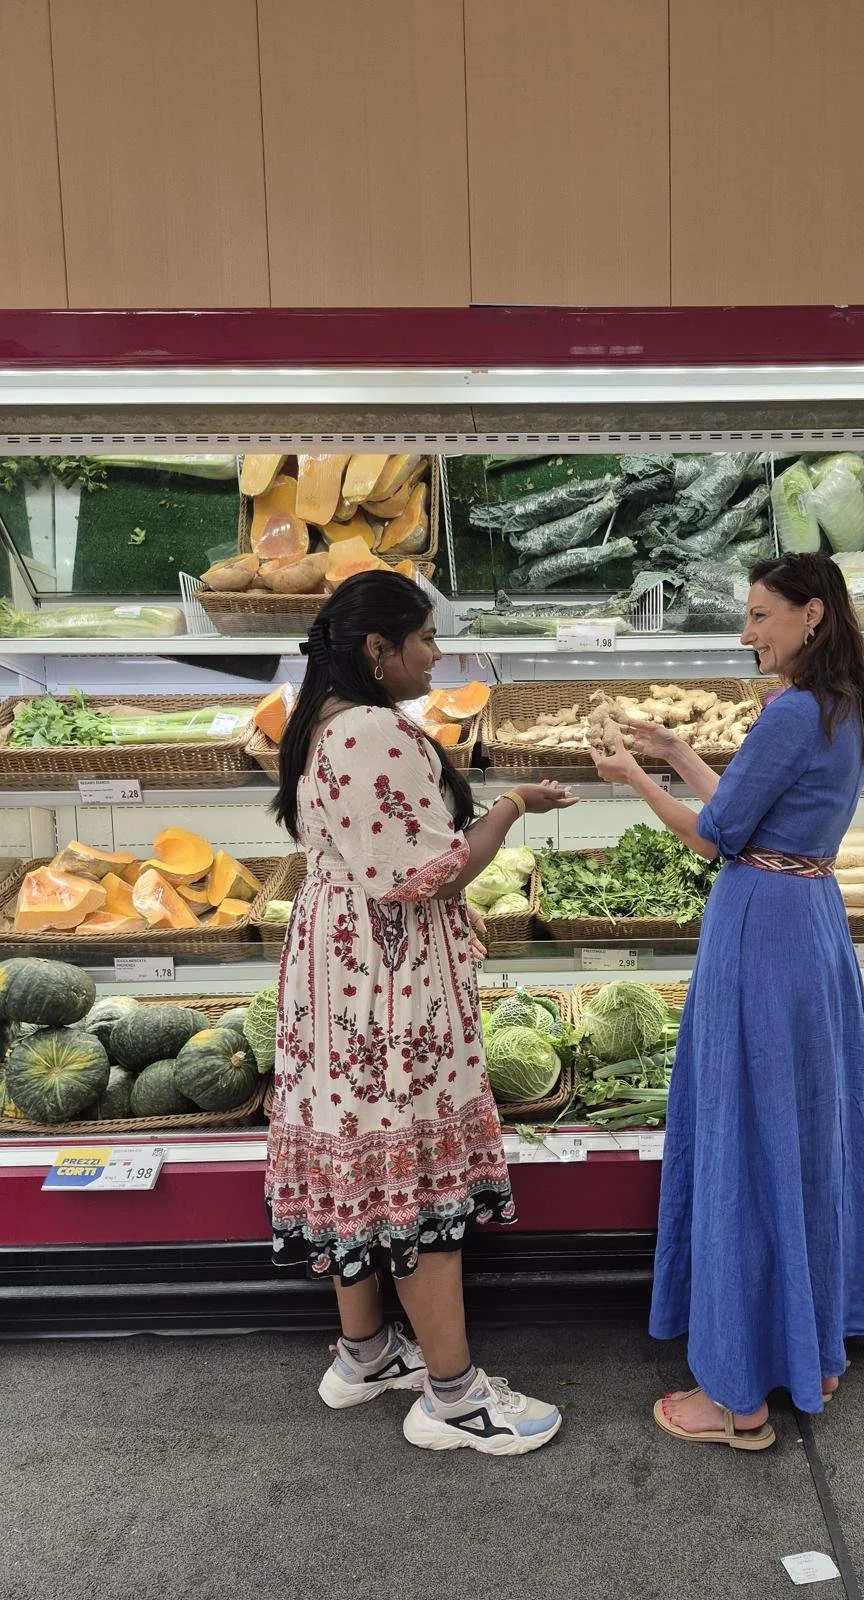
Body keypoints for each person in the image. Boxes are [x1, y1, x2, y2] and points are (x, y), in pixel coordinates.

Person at [588, 552, 864, 1450]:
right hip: (809, 915)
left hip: (758, 927)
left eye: (760, 615)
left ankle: (736, 1397)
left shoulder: (791, 709)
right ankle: (813, 1347)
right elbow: (759, 820)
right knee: (802, 1130)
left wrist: (634, 779)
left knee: (742, 1135)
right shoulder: (845, 707)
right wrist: (678, 747)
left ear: (811, 616)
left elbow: (715, 838)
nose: (745, 632)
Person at [266, 569, 577, 1456]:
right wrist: (515, 805)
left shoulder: (320, 717)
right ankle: (454, 1398)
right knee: (411, 1168)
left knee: (358, 1156)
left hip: (338, 964)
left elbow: (367, 858)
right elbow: (423, 873)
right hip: (387, 978)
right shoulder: (371, 731)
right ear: (378, 649)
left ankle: (363, 1355)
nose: (437, 655)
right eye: (425, 639)